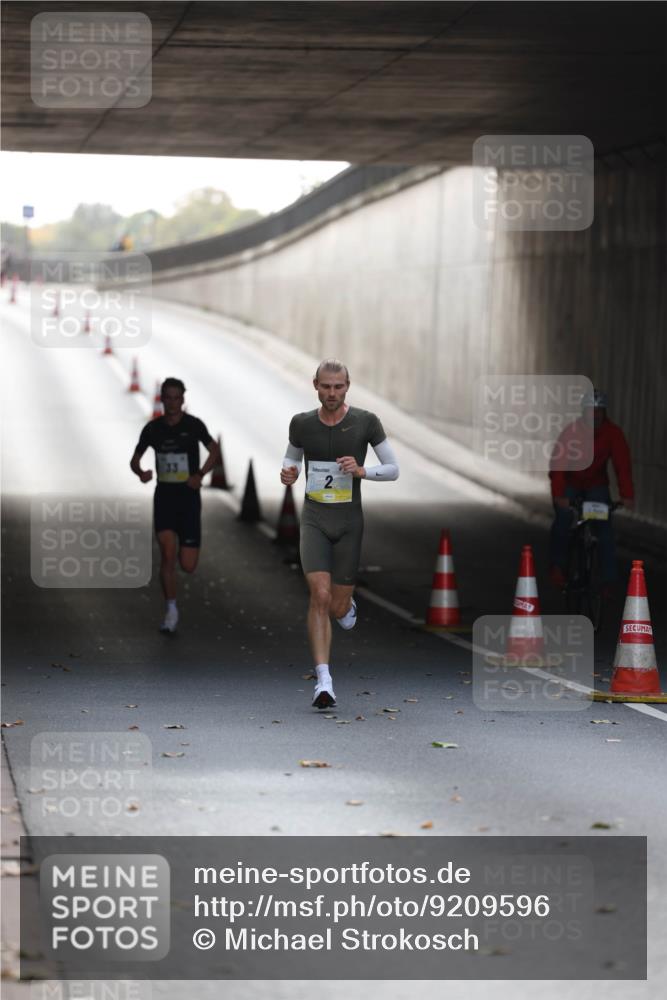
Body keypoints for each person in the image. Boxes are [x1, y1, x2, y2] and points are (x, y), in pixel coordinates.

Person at [280, 359, 399, 708]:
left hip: (349, 523)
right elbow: (289, 461)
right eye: (325, 386)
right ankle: (324, 681)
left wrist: (362, 471)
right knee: (318, 595)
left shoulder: (365, 422)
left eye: (338, 387)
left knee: (336, 605)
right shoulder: (301, 424)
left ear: (348, 386)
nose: (331, 393)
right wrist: (287, 475)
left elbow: (392, 469)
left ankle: (345, 605)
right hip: (314, 519)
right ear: (315, 385)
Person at [130, 377, 219, 632]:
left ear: (183, 399)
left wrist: (200, 475)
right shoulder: (153, 429)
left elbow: (214, 450)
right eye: (166, 397)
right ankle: (171, 610)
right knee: (167, 555)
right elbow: (134, 460)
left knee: (188, 565)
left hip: (189, 499)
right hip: (165, 498)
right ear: (161, 398)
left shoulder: (193, 426)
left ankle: (175, 594)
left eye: (176, 397)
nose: (171, 402)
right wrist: (141, 472)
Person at [548, 389, 634, 592]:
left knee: (604, 530)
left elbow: (622, 465)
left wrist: (627, 495)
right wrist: (559, 495)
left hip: (596, 484)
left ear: (604, 413)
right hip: (570, 482)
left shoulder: (613, 433)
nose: (595, 415)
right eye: (591, 411)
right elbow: (558, 465)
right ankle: (558, 567)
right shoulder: (571, 432)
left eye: (599, 411)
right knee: (563, 521)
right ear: (583, 412)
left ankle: (607, 580)